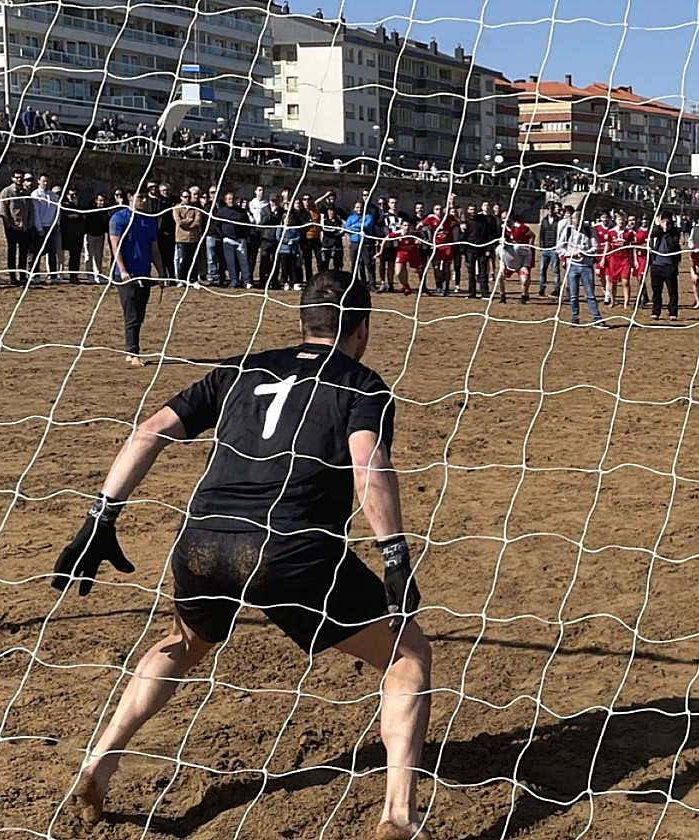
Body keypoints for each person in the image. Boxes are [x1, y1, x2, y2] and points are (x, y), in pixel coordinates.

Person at [52, 271, 432, 840]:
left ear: (304, 319)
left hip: (204, 543)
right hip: (290, 550)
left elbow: (150, 429)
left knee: (184, 644)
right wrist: (395, 554)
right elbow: (367, 466)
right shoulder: (362, 383)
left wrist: (100, 519)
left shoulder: (242, 368)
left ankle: (99, 760)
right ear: (362, 328)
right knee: (408, 653)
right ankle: (397, 817)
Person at [108, 190, 165, 368]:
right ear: (130, 197)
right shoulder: (119, 218)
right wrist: (123, 270)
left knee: (139, 314)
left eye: (146, 197)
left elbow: (154, 250)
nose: (144, 200)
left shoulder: (149, 221)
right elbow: (115, 246)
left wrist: (161, 273)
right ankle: (133, 352)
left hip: (144, 273)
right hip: (126, 276)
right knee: (131, 314)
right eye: (140, 197)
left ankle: (131, 349)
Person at [559, 210, 607, 328]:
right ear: (572, 221)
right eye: (575, 220)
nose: (578, 223)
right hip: (572, 266)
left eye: (580, 220)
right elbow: (559, 248)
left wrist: (584, 253)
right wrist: (571, 253)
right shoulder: (568, 230)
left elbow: (595, 247)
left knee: (590, 294)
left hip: (586, 266)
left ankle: (597, 319)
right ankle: (574, 318)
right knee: (573, 295)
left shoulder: (590, 230)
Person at [0, 170, 35, 283]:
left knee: (23, 253)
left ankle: (23, 275)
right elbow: (3, 210)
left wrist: (29, 224)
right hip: (12, 228)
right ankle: (12, 276)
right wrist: (8, 225)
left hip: (24, 227)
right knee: (12, 252)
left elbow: (30, 209)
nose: (19, 180)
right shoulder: (6, 192)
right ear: (12, 178)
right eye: (17, 177)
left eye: (21, 178)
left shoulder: (26, 192)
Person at [496, 211, 535, 303]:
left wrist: (530, 246)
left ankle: (524, 296)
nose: (504, 220)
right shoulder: (500, 246)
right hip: (509, 261)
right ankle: (502, 297)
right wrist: (502, 266)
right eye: (502, 218)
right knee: (500, 277)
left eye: (506, 218)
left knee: (525, 279)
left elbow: (532, 235)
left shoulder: (520, 227)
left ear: (511, 218)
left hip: (521, 257)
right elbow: (500, 257)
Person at [31, 174, 62, 282]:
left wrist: (55, 224)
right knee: (37, 252)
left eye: (47, 181)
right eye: (43, 181)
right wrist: (39, 228)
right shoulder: (35, 194)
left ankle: (53, 275)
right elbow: (36, 213)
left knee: (52, 252)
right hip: (40, 227)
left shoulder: (53, 196)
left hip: (51, 227)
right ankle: (35, 275)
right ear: (38, 181)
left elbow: (56, 211)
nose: (45, 183)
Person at [172, 188, 204, 286]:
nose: (187, 199)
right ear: (181, 197)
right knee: (182, 260)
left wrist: (187, 222)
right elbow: (179, 222)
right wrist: (189, 220)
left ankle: (193, 279)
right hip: (181, 238)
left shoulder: (196, 208)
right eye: (185, 197)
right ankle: (181, 280)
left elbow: (198, 222)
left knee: (193, 260)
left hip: (193, 238)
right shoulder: (176, 208)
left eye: (189, 197)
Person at [345, 200, 376, 290]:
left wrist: (354, 226)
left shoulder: (368, 216)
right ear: (354, 208)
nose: (359, 209)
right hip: (354, 243)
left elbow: (366, 226)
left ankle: (372, 284)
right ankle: (355, 282)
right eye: (357, 207)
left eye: (361, 207)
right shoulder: (351, 217)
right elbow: (347, 227)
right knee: (355, 264)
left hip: (365, 243)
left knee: (368, 264)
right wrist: (357, 227)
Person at [59, 187, 86, 283]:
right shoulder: (63, 206)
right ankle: (58, 275)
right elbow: (64, 218)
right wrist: (77, 216)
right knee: (60, 257)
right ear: (67, 196)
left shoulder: (81, 206)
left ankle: (74, 276)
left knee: (75, 257)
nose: (73, 197)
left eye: (75, 195)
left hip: (78, 236)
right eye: (71, 195)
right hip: (66, 235)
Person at [537, 203, 561, 297]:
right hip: (545, 248)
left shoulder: (558, 220)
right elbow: (541, 233)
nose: (550, 211)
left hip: (554, 248)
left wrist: (558, 247)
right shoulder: (544, 220)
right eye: (548, 209)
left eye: (551, 209)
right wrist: (541, 246)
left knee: (555, 270)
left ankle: (556, 289)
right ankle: (541, 288)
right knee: (542, 270)